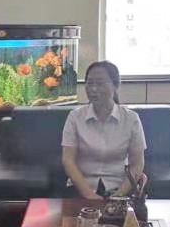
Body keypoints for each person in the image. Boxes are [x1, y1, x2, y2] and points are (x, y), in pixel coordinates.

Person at [61, 61, 147, 199]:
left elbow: (137, 164)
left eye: (100, 83)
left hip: (119, 188)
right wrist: (89, 194)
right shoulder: (75, 117)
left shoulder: (131, 119)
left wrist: (119, 195)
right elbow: (68, 160)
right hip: (80, 189)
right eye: (90, 83)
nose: (93, 89)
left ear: (115, 85)